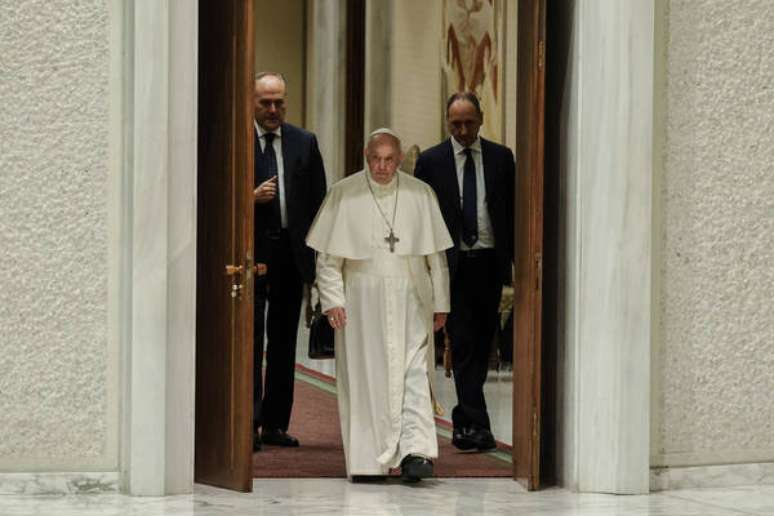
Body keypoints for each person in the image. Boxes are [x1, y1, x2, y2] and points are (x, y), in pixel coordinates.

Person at [306, 129, 453, 482]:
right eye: (376, 158)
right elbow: (327, 259)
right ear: (365, 155)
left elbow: (437, 258)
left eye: (389, 159)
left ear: (400, 159)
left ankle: (416, 452)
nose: (382, 167)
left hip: (411, 297)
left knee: (414, 373)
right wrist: (332, 301)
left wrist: (441, 304)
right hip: (361, 301)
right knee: (367, 377)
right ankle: (368, 461)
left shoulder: (420, 194)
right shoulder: (344, 193)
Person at [414, 92, 515, 452]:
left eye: (468, 122)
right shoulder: (430, 162)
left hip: (488, 262)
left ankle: (468, 422)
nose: (462, 129)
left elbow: (511, 212)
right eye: (455, 123)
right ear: (447, 122)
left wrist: (514, 266)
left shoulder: (502, 158)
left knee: (482, 340)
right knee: (461, 342)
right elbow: (420, 217)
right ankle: (474, 423)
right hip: (450, 265)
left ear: (481, 119)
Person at [252, 71, 327, 451]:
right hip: (249, 255)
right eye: (265, 102)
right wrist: (249, 198)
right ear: (253, 102)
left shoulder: (304, 142)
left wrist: (318, 266)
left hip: (289, 256)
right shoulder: (239, 140)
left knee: (283, 343)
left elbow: (320, 204)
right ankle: (247, 422)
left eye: (279, 101)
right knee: (248, 340)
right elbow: (213, 196)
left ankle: (275, 424)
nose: (273, 109)